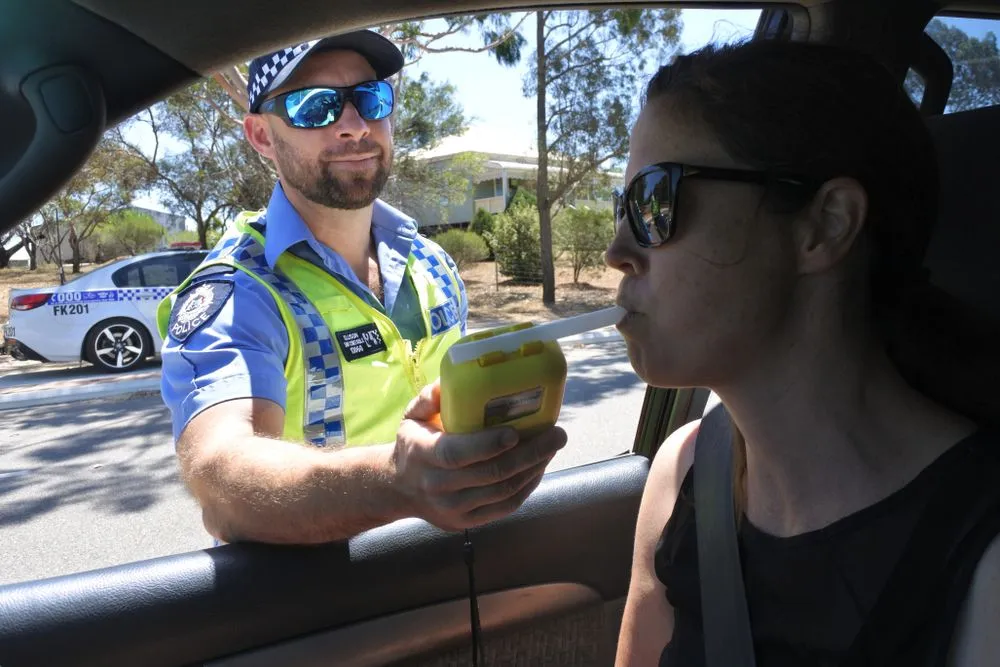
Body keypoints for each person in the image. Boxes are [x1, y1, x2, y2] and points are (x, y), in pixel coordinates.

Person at [608, 40, 1000, 666]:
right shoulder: (683, 474)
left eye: (657, 201)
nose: (617, 249)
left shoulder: (984, 564)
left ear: (826, 225)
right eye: (622, 206)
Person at [157, 30, 566, 545]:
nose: (354, 126)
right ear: (261, 136)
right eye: (314, 106)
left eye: (370, 99)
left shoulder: (431, 264)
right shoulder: (239, 291)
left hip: (449, 563)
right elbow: (222, 477)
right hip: (319, 600)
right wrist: (395, 482)